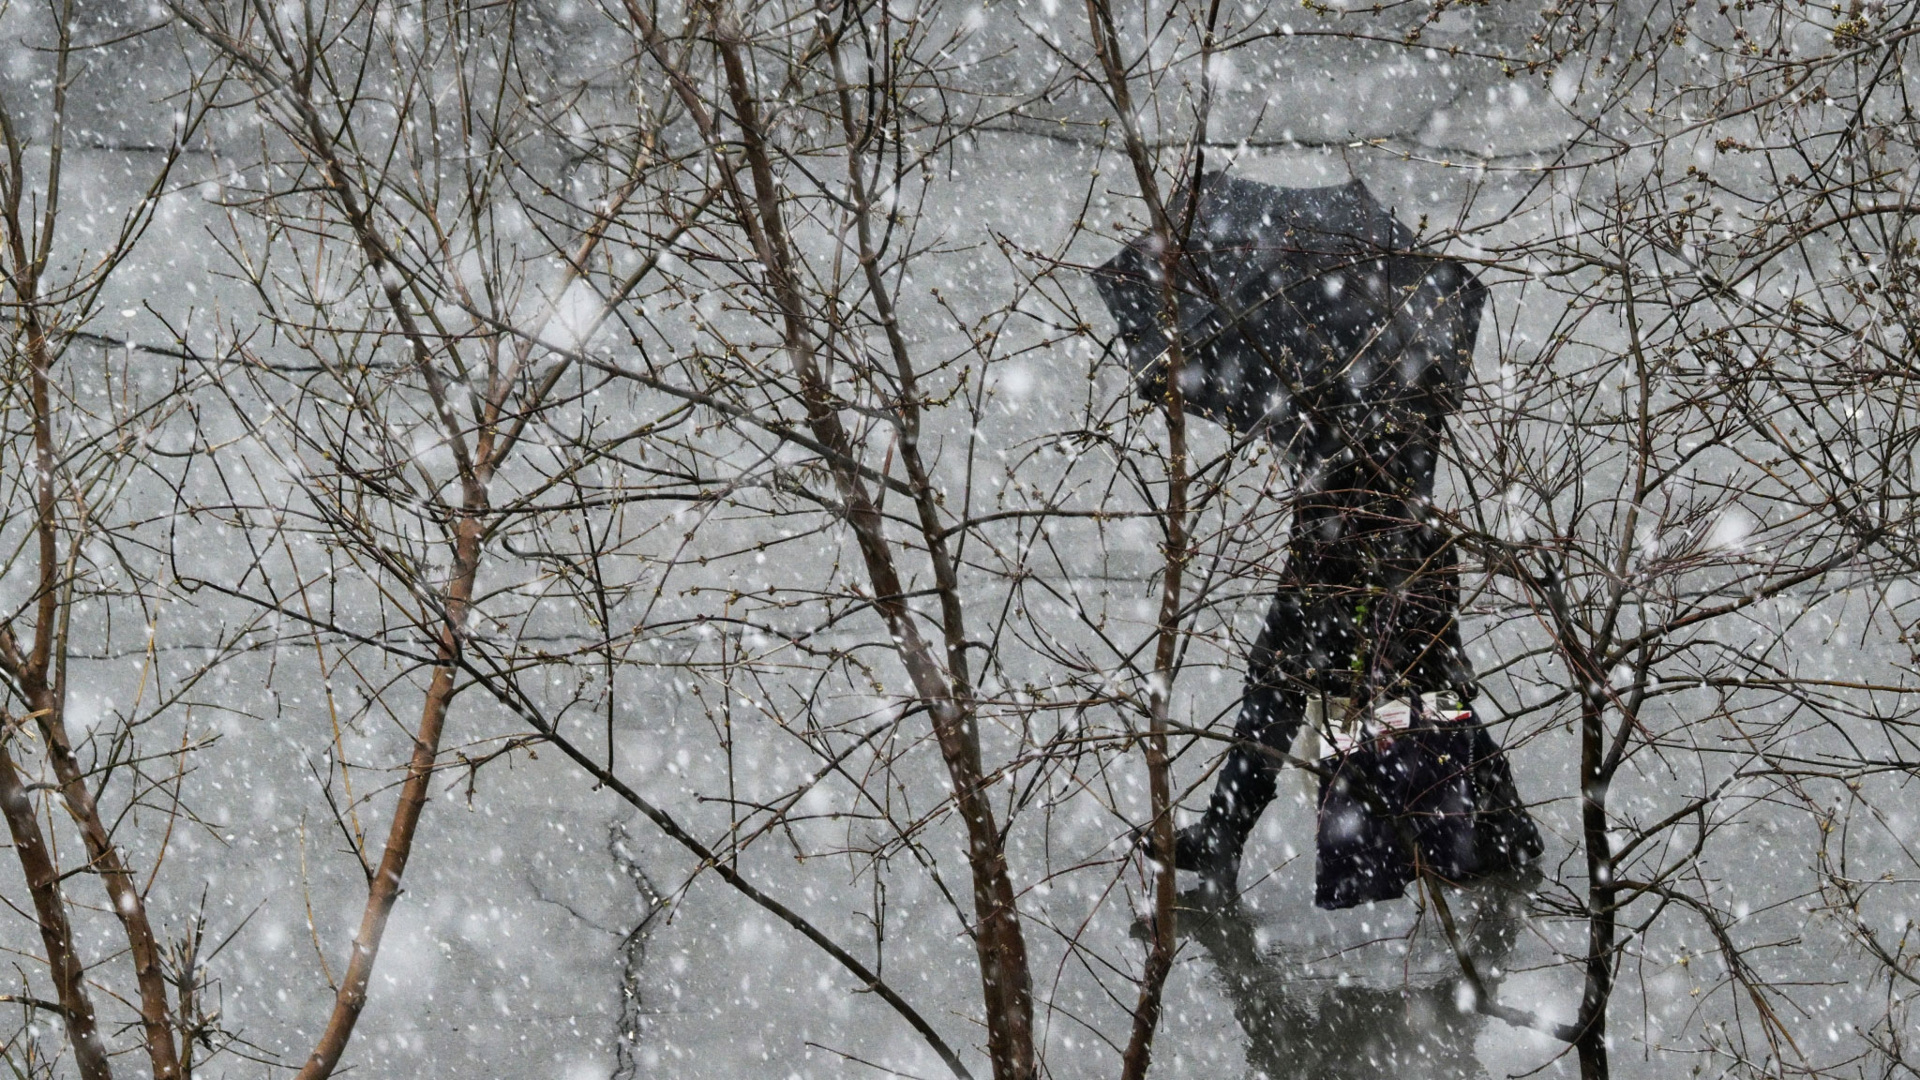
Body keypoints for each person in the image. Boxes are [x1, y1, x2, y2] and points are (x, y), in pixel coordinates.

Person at [1094, 174, 1542, 906]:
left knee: (1401, 694)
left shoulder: (1369, 369)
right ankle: (1230, 837)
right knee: (1323, 688)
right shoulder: (1379, 346)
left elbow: (1375, 471)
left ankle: (1491, 828)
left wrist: (1309, 419)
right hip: (1360, 552)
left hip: (1372, 558)